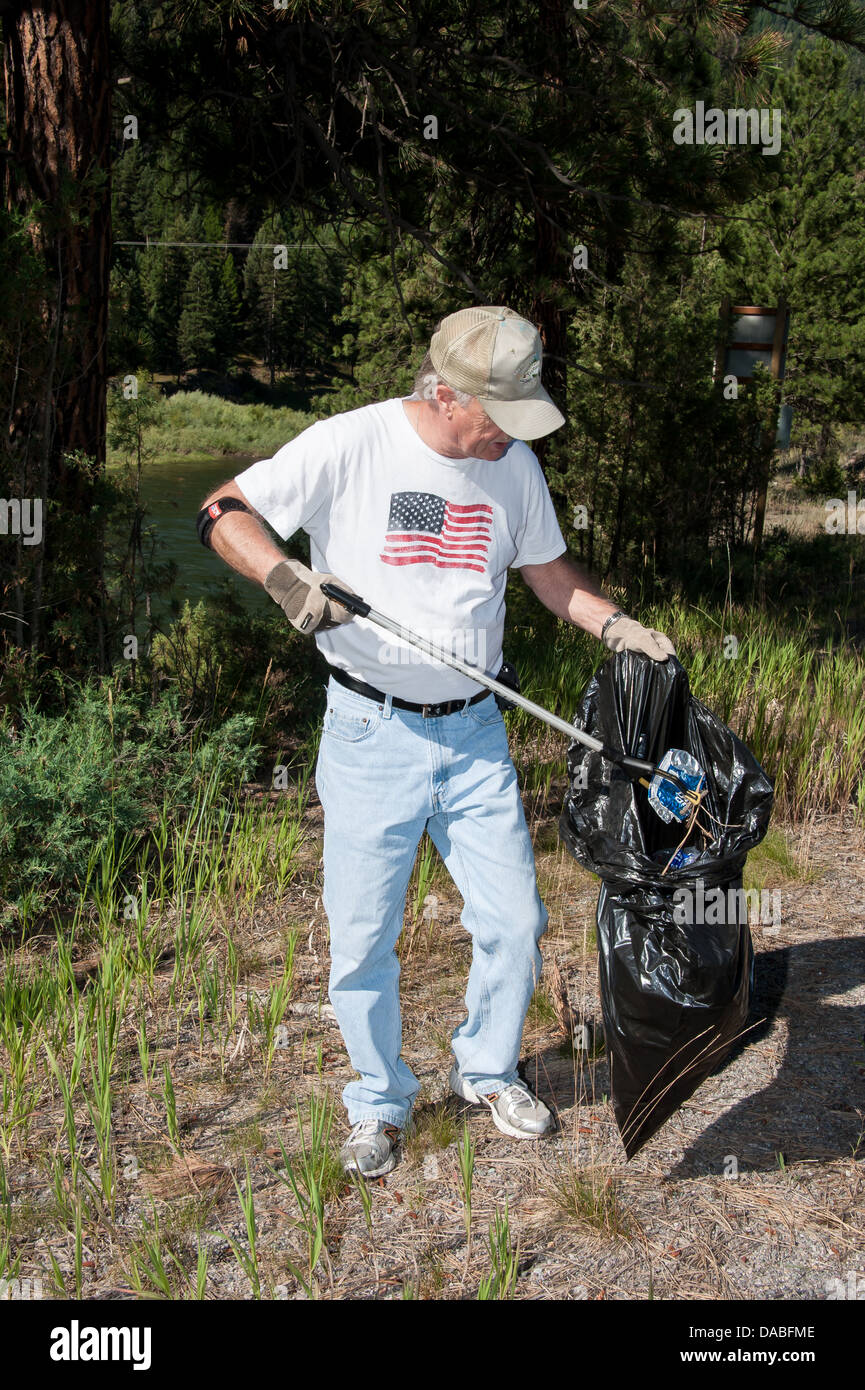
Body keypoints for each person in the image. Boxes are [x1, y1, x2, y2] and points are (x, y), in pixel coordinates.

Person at [197, 305, 675, 1178]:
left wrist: (614, 625)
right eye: (501, 414)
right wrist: (284, 577)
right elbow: (222, 510)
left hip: (475, 732)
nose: (512, 436)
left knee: (515, 920)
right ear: (447, 394)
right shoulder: (349, 443)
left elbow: (545, 571)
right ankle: (378, 1101)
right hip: (369, 728)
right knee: (364, 939)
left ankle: (485, 1071)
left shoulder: (514, 462)